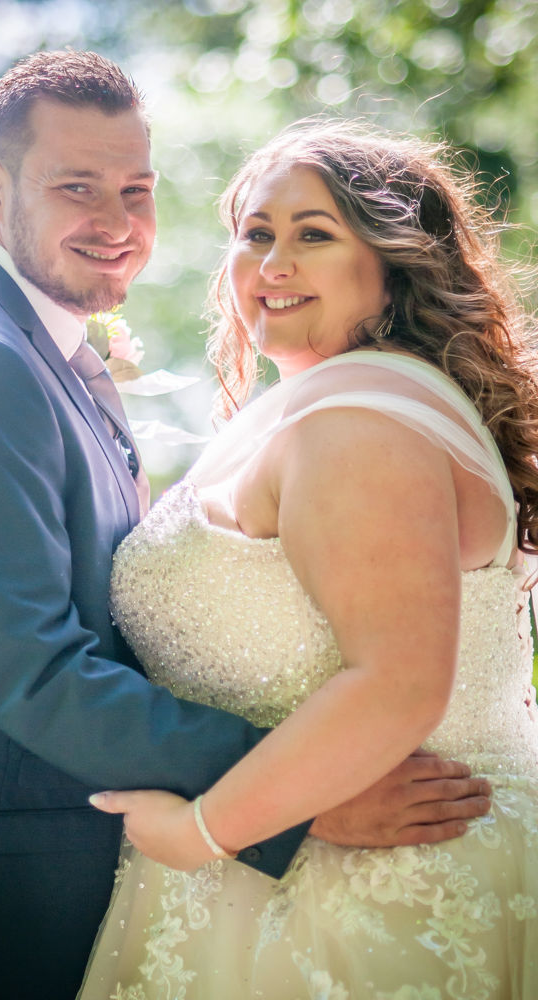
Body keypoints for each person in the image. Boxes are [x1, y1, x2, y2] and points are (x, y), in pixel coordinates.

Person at [0, 53, 489, 999]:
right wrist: (295, 800)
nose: (117, 225)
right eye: (76, 188)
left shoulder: (20, 334)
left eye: (137, 190)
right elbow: (36, 671)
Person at [80, 120, 538, 999]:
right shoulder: (340, 403)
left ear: (392, 262)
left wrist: (202, 832)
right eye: (257, 234)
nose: (273, 263)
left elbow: (397, 685)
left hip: (370, 909)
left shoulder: (359, 422)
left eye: (314, 234)